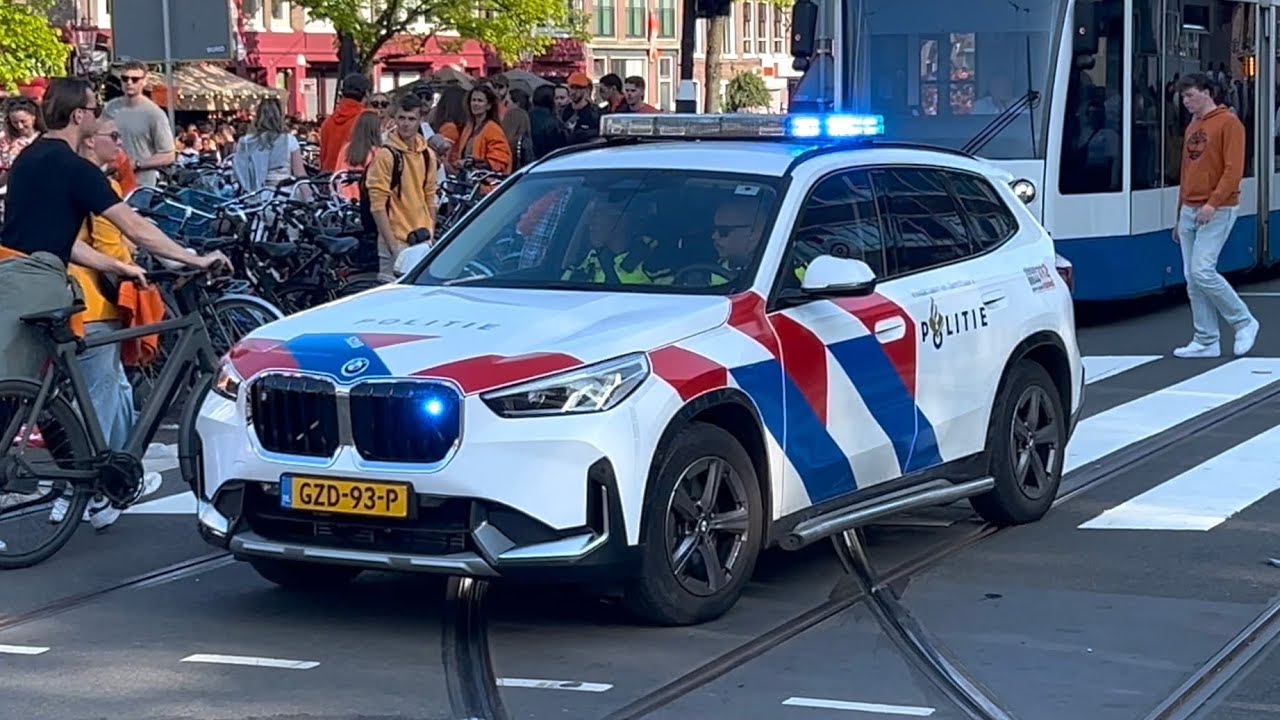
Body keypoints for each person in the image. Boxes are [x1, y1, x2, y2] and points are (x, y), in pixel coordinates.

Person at [0, 77, 229, 526]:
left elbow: (50, 236)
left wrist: (114, 265)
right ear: (79, 116)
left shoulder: (28, 158)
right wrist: (193, 257)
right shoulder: (74, 168)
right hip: (44, 283)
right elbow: (135, 227)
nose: (102, 114)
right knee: (26, 393)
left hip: (14, 277)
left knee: (33, 390)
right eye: (95, 107)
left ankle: (83, 482)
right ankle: (87, 483)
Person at [55, 116, 162, 529]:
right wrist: (137, 267)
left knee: (109, 387)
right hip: (95, 304)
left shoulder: (59, 182)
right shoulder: (100, 188)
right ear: (90, 141)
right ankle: (88, 488)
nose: (119, 145)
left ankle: (119, 472)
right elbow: (110, 247)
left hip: (58, 296)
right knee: (99, 395)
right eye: (112, 137)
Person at [1171, 73, 1259, 358]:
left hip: (1217, 208)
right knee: (1193, 276)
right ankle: (1206, 338)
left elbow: (1234, 169)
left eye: (1191, 95)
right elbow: (1186, 171)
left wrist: (1213, 202)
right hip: (1190, 207)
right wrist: (1179, 213)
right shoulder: (1193, 126)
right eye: (1183, 97)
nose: (1186, 102)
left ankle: (1243, 321)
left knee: (1202, 271)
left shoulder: (1229, 123)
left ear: (1208, 93)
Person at [365, 94, 439, 281]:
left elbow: (430, 196)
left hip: (421, 238)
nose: (406, 124)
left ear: (420, 120)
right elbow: (377, 205)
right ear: (394, 118)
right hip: (396, 239)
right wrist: (392, 246)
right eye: (402, 118)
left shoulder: (428, 155)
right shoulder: (386, 155)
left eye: (411, 119)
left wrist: (430, 234)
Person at [102, 60, 175, 187]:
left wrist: (137, 164)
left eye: (134, 79)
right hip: (111, 181)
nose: (129, 83)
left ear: (144, 81)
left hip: (141, 184)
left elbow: (169, 155)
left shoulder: (154, 113)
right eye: (125, 79)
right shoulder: (110, 107)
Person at [230, 97, 308, 196]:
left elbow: (238, 171)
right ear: (280, 116)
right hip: (283, 194)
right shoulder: (290, 140)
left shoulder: (245, 142)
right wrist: (309, 197)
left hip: (254, 194)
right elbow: (300, 174)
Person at [446, 85, 512, 175]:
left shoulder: (493, 129)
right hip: (467, 182)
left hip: (485, 184)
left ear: (488, 106)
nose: (475, 104)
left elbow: (499, 162)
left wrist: (470, 163)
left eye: (480, 101)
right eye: (473, 100)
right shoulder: (468, 127)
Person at [318, 72, 371, 172]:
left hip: (329, 178)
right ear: (366, 93)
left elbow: (323, 155)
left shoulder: (327, 122)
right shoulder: (366, 119)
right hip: (354, 178)